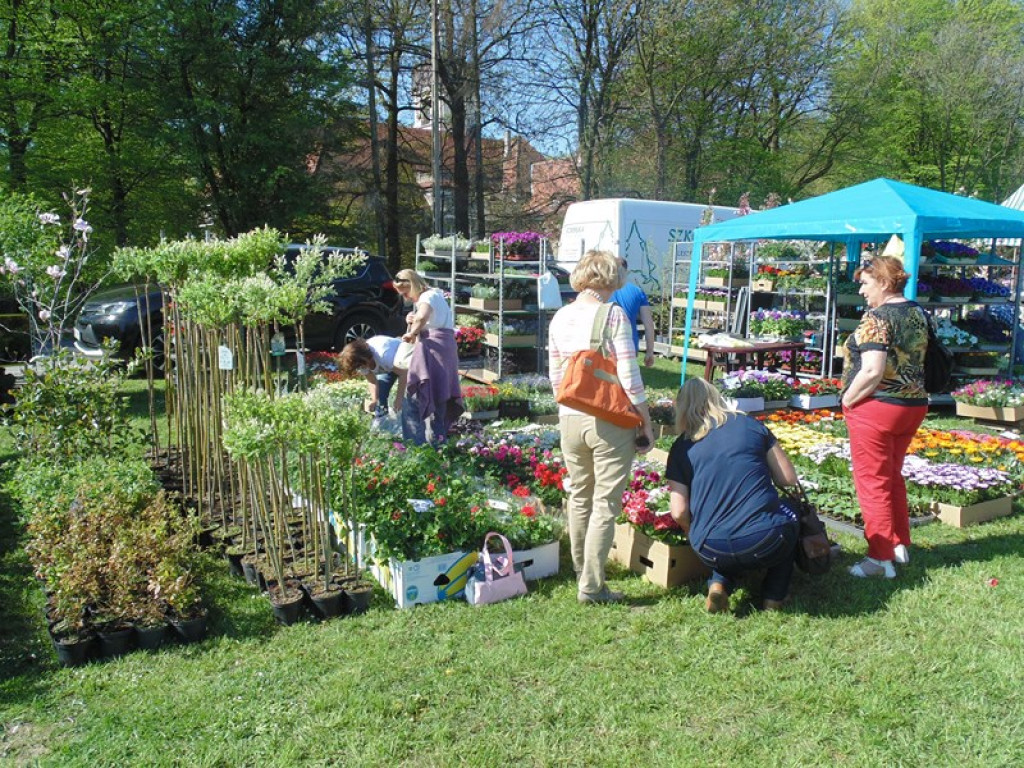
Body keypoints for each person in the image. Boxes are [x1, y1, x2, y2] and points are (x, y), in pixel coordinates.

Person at [548, 249, 655, 604]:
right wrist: (645, 421)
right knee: (605, 503)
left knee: (579, 495)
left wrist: (566, 410)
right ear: (613, 277)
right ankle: (593, 587)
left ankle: (582, 571)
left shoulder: (560, 316)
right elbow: (629, 375)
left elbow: (555, 375)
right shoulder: (613, 314)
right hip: (608, 418)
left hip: (569, 416)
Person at [666, 378, 800, 613]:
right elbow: (788, 479)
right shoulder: (749, 425)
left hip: (710, 547)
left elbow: (678, 512)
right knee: (791, 514)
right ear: (716, 398)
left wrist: (693, 534)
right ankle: (774, 597)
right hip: (764, 538)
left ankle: (718, 585)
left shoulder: (681, 447)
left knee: (724, 537)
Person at [840, 250, 928, 579]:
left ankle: (879, 560)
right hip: (912, 405)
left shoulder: (876, 318)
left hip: (877, 408)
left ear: (883, 282)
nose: (862, 291)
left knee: (872, 483)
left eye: (866, 283)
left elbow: (872, 371)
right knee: (891, 476)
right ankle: (898, 543)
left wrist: (848, 400)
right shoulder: (917, 312)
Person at [393, 268, 463, 445]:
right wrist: (413, 320)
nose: (406, 297)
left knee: (414, 402)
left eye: (406, 292)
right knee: (439, 397)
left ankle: (415, 448)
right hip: (445, 350)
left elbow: (423, 317)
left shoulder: (426, 297)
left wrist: (412, 332)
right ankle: (439, 446)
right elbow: (427, 318)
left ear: (413, 285)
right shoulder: (436, 294)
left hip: (432, 351)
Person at [336, 336, 408, 418]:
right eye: (358, 368)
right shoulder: (360, 362)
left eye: (361, 366)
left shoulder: (384, 354)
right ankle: (382, 420)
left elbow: (404, 373)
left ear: (365, 359)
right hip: (390, 367)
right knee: (380, 395)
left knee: (411, 396)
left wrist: (399, 399)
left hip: (405, 361)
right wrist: (374, 400)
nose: (361, 369)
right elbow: (372, 381)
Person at [610, 259, 656, 367]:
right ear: (626, 271)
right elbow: (649, 325)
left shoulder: (603, 290)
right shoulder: (638, 291)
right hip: (629, 345)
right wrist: (650, 351)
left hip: (607, 345)